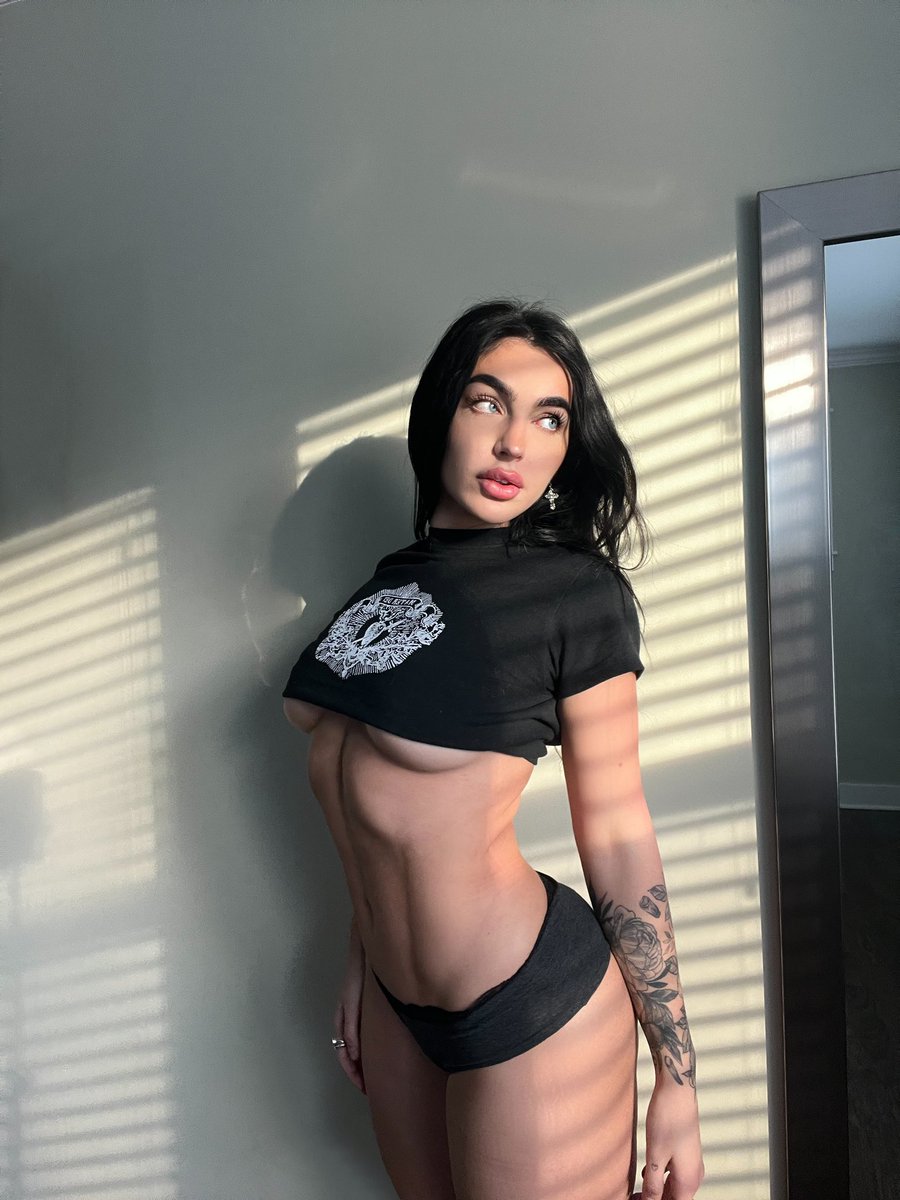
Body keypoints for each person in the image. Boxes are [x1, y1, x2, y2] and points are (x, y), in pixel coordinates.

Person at [282, 298, 705, 1200]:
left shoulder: (571, 595)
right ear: (441, 412)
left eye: (549, 419)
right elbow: (373, 818)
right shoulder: (381, 591)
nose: (514, 442)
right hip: (398, 1006)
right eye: (487, 402)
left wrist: (678, 1078)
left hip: (531, 1001)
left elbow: (618, 830)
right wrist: (362, 962)